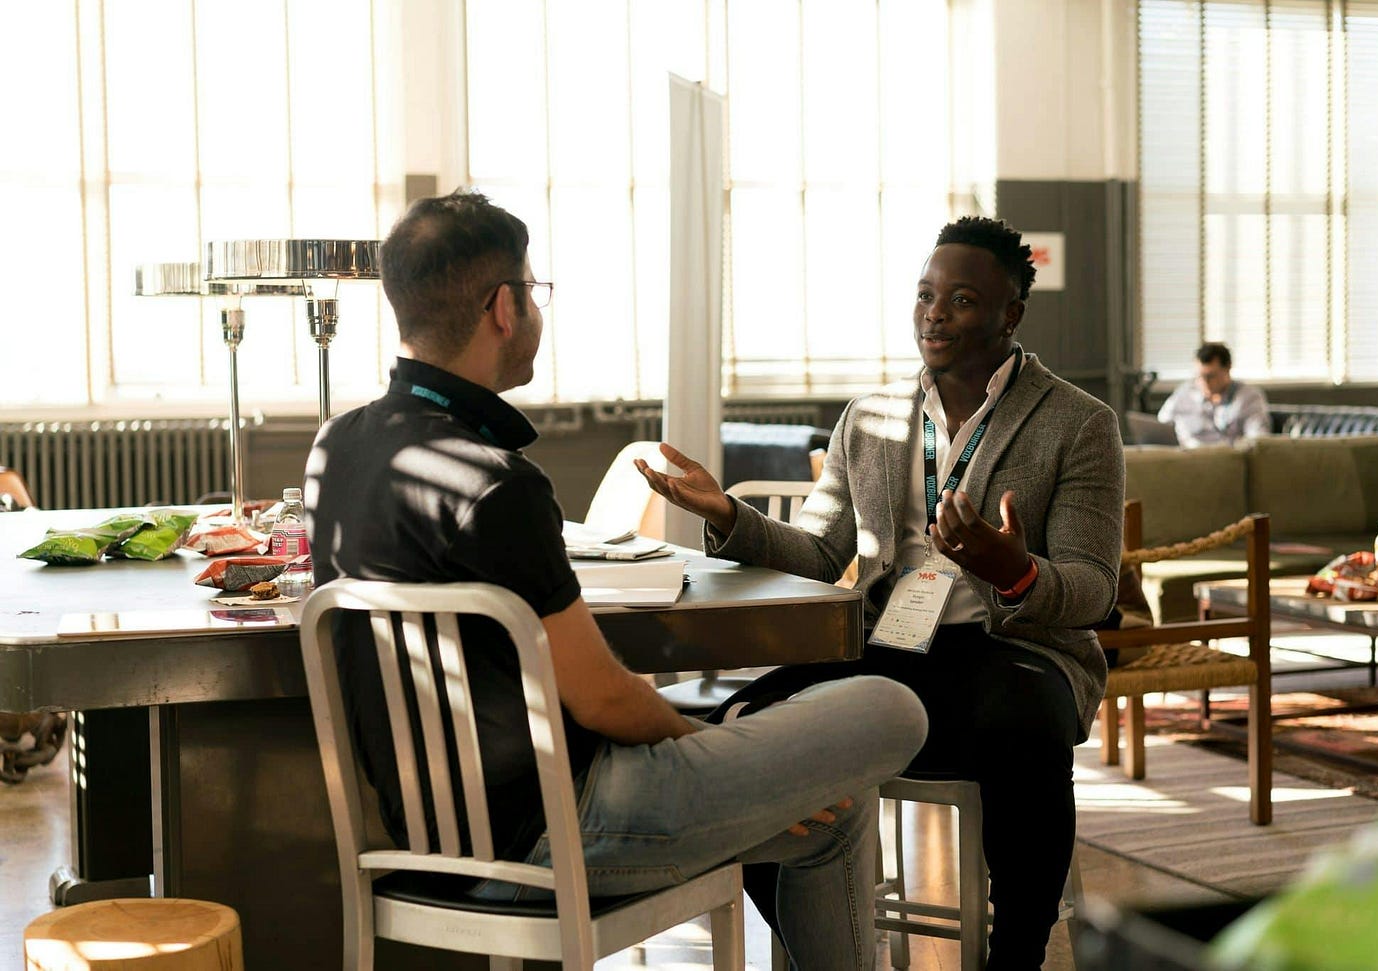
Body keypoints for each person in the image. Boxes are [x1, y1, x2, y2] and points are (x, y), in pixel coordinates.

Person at [304, 189, 927, 970]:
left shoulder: (337, 448)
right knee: (890, 704)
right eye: (534, 291)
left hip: (423, 843)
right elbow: (599, 695)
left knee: (835, 807)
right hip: (564, 832)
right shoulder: (500, 484)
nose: (536, 309)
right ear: (503, 306)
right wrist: (710, 742)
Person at [638, 215, 1125, 968]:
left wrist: (1013, 571)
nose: (935, 313)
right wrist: (728, 515)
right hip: (890, 646)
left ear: (1010, 315)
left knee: (1024, 724)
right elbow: (824, 550)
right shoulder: (866, 419)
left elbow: (1093, 588)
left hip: (1016, 651)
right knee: (753, 719)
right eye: (926, 295)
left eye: (961, 299)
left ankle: (1017, 953)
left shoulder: (1078, 423)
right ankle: (816, 948)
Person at [1156, 341, 1270, 446]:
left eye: (1210, 376)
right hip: (1187, 458)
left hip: (1226, 459)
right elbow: (1160, 426)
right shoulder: (1185, 392)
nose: (1204, 382)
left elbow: (1258, 440)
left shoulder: (1248, 397)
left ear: (1228, 368)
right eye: (1199, 376)